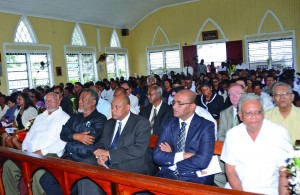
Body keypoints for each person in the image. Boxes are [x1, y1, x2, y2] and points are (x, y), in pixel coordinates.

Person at [77, 94, 152, 194]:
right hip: (108, 164)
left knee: (95, 178)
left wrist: (109, 154)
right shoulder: (109, 123)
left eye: (117, 107)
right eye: (112, 106)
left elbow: (138, 149)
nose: (113, 110)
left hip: (130, 165)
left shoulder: (141, 123)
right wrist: (100, 155)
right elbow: (101, 144)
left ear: (127, 107)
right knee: (83, 169)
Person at [221, 94, 293, 194]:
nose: (254, 117)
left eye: (257, 112)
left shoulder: (279, 133)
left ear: (263, 113)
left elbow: (285, 171)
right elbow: (230, 171)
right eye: (248, 113)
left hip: (270, 190)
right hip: (238, 188)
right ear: (240, 115)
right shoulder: (233, 134)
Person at [40, 88, 107, 195]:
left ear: (93, 102)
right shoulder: (74, 117)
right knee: (45, 180)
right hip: (67, 157)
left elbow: (89, 138)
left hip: (83, 159)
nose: (79, 101)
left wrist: (72, 135)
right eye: (79, 98)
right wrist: (76, 136)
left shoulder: (100, 119)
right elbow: (63, 134)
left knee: (74, 186)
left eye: (84, 99)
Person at [2, 92, 70, 195]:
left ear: (59, 102)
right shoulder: (40, 117)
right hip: (30, 153)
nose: (48, 104)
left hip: (49, 154)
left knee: (37, 174)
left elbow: (62, 142)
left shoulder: (65, 118)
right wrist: (24, 149)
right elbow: (30, 134)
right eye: (46, 101)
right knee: (8, 166)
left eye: (51, 101)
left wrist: (42, 151)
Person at [153, 89, 215, 185]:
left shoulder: (206, 126)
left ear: (192, 106)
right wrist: (183, 155)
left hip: (195, 177)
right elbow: (157, 156)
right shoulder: (169, 124)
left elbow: (203, 161)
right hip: (169, 174)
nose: (174, 106)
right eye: (173, 102)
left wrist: (173, 160)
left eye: (180, 104)